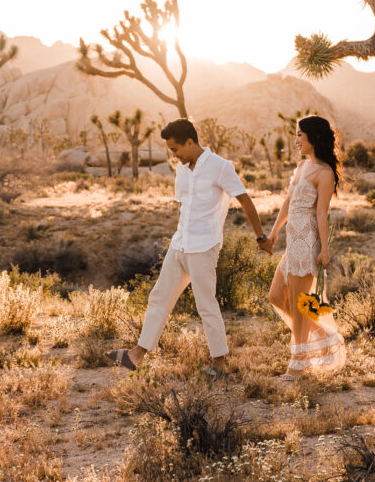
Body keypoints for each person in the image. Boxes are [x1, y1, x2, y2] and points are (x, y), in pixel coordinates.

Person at [105, 118, 269, 375]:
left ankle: (219, 363)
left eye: (175, 149)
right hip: (180, 244)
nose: (174, 154)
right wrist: (177, 235)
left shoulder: (220, 167)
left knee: (206, 304)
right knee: (159, 297)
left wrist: (261, 237)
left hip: (204, 247)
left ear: (190, 142)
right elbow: (182, 206)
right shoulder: (182, 169)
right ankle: (136, 355)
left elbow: (245, 200)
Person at [260, 115, 346, 380]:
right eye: (296, 135)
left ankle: (297, 365)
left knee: (299, 307)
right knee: (276, 296)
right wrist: (274, 233)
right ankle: (319, 335)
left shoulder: (325, 173)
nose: (296, 140)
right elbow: (287, 202)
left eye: (299, 135)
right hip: (290, 243)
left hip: (307, 243)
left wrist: (324, 249)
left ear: (313, 137)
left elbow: (322, 214)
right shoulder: (301, 167)